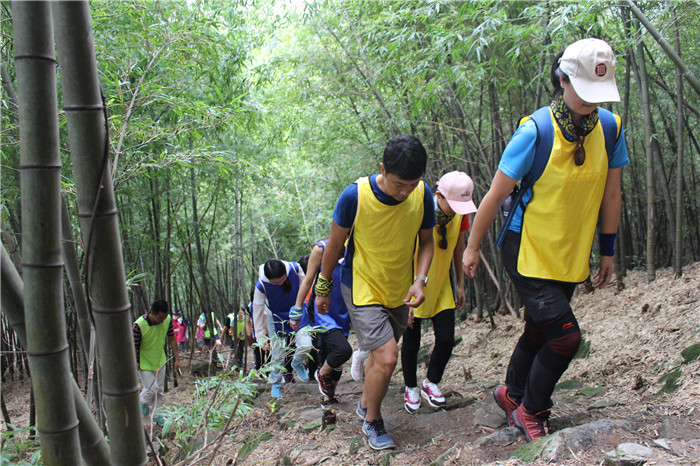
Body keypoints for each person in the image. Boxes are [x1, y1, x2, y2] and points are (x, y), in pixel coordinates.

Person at [462, 38, 629, 443]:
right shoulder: (535, 130)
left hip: (570, 249)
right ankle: (531, 410)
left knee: (539, 329)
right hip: (525, 247)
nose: (591, 102)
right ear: (561, 80)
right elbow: (495, 195)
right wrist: (471, 247)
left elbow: (611, 194)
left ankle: (511, 393)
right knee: (566, 336)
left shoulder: (609, 128)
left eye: (597, 94)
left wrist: (607, 251)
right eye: (584, 91)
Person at [315, 135, 435, 450]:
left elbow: (426, 242)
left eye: (412, 184)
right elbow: (334, 245)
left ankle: (366, 403)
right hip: (361, 286)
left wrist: (420, 279)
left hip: (399, 289)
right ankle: (373, 421)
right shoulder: (356, 195)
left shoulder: (422, 195)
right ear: (382, 168)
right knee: (387, 355)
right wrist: (323, 287)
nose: (405, 191)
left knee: (379, 357)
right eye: (399, 184)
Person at [401, 171, 477, 413]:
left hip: (441, 283)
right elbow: (401, 253)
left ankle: (430, 382)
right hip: (412, 283)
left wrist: (460, 283)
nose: (456, 210)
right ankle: (410, 386)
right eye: (453, 204)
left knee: (445, 338)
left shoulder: (458, 216)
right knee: (411, 342)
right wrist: (403, 292)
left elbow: (457, 246)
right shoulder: (417, 211)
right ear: (439, 195)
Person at [292, 239, 353, 408]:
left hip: (345, 309)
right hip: (323, 311)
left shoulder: (358, 248)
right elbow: (307, 280)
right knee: (342, 350)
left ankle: (328, 399)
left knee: (335, 359)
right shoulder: (321, 249)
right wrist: (297, 309)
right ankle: (322, 372)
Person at [252, 259, 312, 399]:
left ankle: (297, 363)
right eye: (276, 282)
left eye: (282, 280)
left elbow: (305, 285)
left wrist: (303, 307)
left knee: (306, 344)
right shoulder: (261, 285)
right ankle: (276, 384)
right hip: (276, 317)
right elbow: (257, 311)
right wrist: (261, 336)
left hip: (297, 311)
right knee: (278, 353)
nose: (280, 284)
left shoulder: (295, 269)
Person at [132, 299, 181, 424]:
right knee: (151, 389)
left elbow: (172, 339)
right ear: (152, 313)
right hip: (144, 363)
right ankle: (141, 401)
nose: (162, 321)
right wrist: (134, 365)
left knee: (159, 391)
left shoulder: (167, 320)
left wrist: (177, 359)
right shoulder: (139, 325)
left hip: (160, 360)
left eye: (164, 318)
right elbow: (133, 347)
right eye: (160, 318)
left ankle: (156, 415)